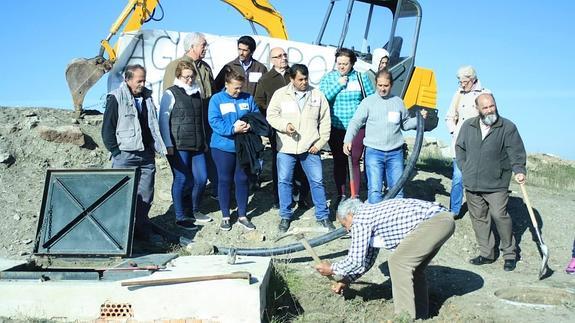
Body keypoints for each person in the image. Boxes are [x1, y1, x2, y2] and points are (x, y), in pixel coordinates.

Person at [314, 198, 455, 319]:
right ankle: (421, 316)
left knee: (398, 263)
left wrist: (331, 269)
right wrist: (346, 280)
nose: (346, 230)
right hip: (444, 221)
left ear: (350, 215)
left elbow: (355, 260)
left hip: (436, 222)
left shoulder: (360, 218)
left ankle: (404, 318)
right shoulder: (371, 217)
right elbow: (366, 261)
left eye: (344, 224)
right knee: (414, 269)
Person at [456, 93, 526, 271]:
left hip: (497, 183)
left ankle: (510, 254)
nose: (489, 110)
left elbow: (516, 152)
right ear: (478, 109)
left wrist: (519, 170)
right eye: (485, 107)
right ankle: (487, 254)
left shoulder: (507, 127)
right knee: (479, 218)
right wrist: (465, 167)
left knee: (499, 216)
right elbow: (460, 148)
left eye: (492, 106)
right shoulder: (468, 125)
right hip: (472, 182)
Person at [102, 64, 167, 244]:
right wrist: (117, 152)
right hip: (125, 156)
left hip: (146, 156)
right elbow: (107, 130)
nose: (142, 83)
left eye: (144, 80)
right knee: (120, 196)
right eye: (139, 80)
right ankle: (119, 236)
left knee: (145, 195)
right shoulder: (116, 98)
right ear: (128, 80)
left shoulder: (147, 97)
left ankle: (141, 231)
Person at [266, 64, 335, 233]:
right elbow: (271, 115)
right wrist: (284, 125)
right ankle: (285, 216)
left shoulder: (317, 95)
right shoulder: (280, 95)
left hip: (310, 147)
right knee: (284, 181)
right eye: (300, 79)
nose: (304, 82)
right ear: (291, 79)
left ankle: (323, 216)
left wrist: (319, 144)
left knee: (317, 181)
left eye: (306, 78)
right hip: (286, 147)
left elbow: (325, 121)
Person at [344, 70, 426, 203]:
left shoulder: (398, 102)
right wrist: (348, 140)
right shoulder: (368, 102)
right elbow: (356, 121)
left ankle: (395, 220)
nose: (382, 89)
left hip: (395, 153)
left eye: (385, 86)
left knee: (397, 190)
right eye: (380, 85)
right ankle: (376, 221)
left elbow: (405, 124)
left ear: (391, 85)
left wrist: (419, 119)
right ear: (376, 84)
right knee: (375, 190)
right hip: (374, 152)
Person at [162, 32, 218, 201]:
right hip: (184, 131)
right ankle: (184, 209)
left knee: (207, 166)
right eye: (203, 45)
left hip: (205, 124)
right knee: (184, 174)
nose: (206, 48)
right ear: (192, 47)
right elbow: (169, 99)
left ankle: (206, 198)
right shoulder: (175, 66)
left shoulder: (205, 67)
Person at [159, 60, 213, 231]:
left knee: (201, 178)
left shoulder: (197, 93)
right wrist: (167, 143)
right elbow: (163, 120)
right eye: (186, 77)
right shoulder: (170, 93)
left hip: (197, 144)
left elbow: (200, 120)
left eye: (192, 76)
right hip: (178, 144)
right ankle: (180, 216)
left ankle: (194, 210)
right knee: (182, 179)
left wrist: (204, 140)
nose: (190, 80)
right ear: (178, 76)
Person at [254, 47, 310, 209]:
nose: (283, 58)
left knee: (301, 162)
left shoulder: (294, 74)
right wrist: (276, 111)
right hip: (278, 128)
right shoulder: (266, 79)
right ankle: (279, 198)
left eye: (285, 55)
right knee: (280, 164)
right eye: (278, 56)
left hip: (300, 126)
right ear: (272, 60)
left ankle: (301, 196)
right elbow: (259, 101)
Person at [319, 48, 375, 207]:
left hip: (357, 128)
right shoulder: (329, 78)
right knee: (339, 161)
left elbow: (370, 100)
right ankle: (341, 194)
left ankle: (355, 196)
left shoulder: (361, 78)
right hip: (336, 127)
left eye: (345, 64)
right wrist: (338, 85)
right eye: (339, 63)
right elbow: (322, 99)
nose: (342, 67)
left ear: (352, 64)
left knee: (355, 160)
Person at [208, 66, 259, 231]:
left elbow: (256, 115)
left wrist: (250, 125)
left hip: (243, 147)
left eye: (240, 87)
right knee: (224, 180)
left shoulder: (247, 98)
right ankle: (225, 216)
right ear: (227, 84)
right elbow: (214, 120)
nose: (238, 91)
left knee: (242, 179)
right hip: (223, 146)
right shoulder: (217, 99)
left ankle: (243, 215)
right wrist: (232, 129)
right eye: (235, 87)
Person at [445, 66, 490, 217]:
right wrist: (454, 131)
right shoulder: (458, 94)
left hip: (478, 145)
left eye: (464, 81)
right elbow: (449, 116)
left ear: (472, 79)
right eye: (460, 81)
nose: (462, 84)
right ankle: (454, 211)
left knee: (477, 179)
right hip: (460, 143)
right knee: (457, 178)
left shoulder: (485, 94)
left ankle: (479, 211)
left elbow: (491, 119)